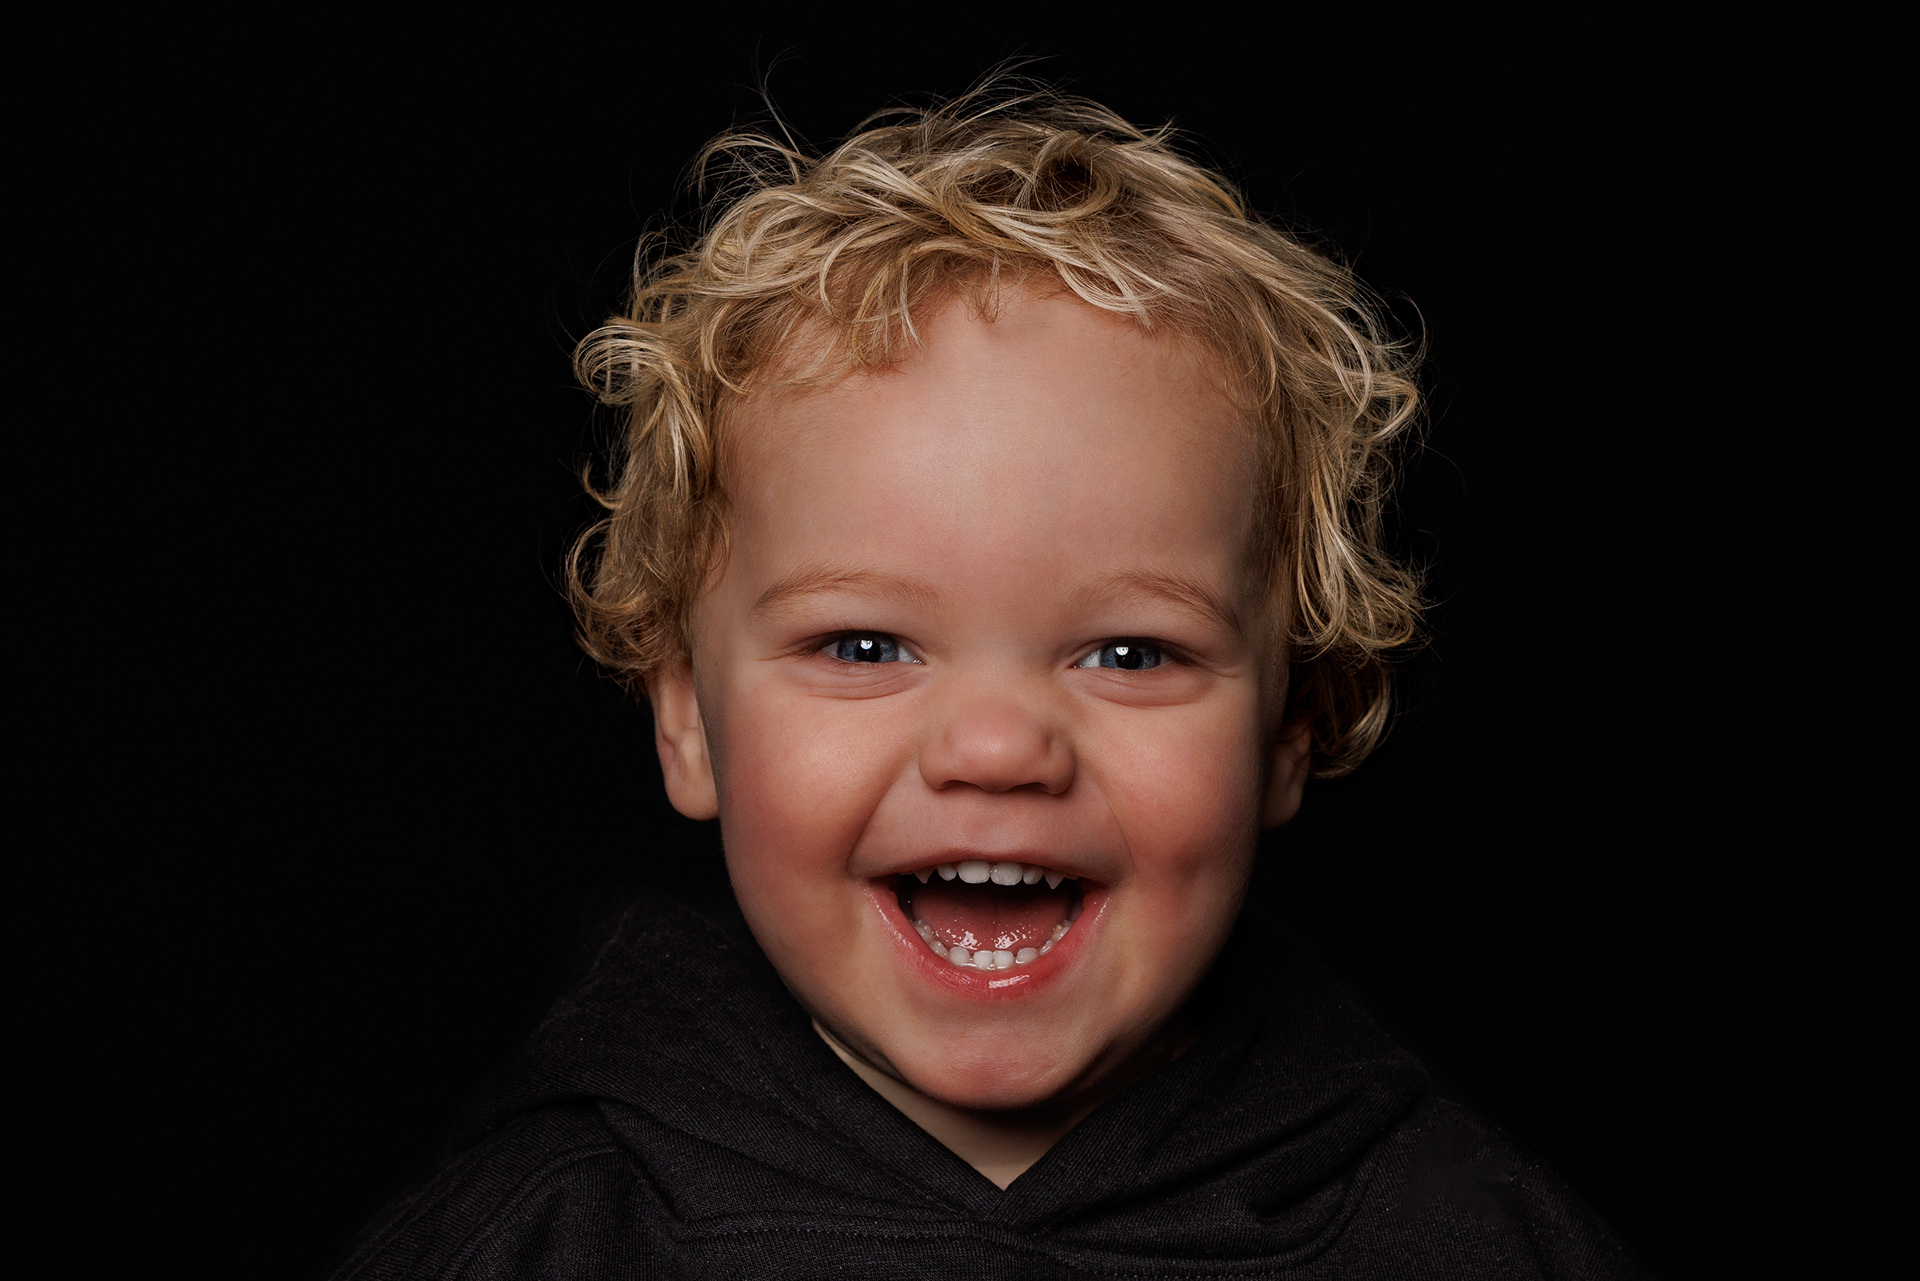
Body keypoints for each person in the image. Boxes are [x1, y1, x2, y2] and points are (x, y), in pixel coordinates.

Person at [335, 84, 1644, 1278]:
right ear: (685, 715)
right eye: (864, 647)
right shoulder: (532, 1242)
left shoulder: (1478, 1245)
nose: (1000, 746)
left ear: (1292, 721)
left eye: (1131, 653)